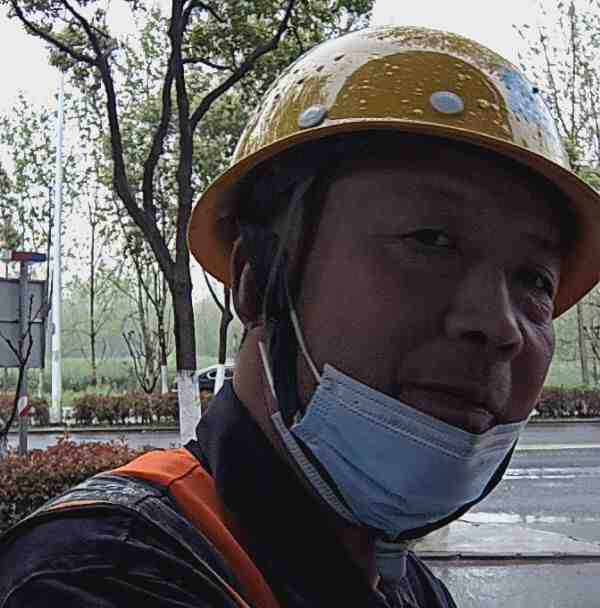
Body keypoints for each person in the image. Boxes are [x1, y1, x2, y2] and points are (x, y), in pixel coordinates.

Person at [1, 25, 599, 608]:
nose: (499, 326)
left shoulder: (406, 587)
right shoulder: (107, 572)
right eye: (431, 240)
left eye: (535, 279)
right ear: (259, 281)